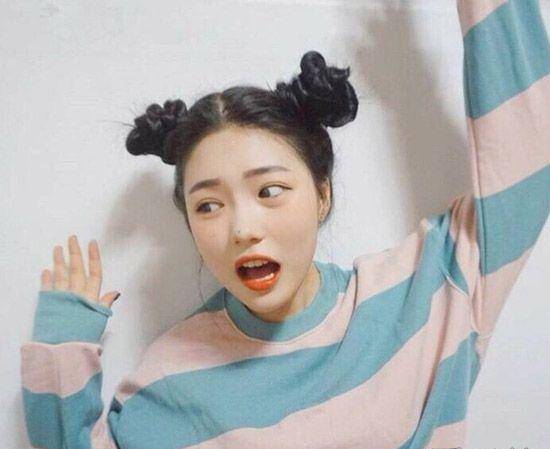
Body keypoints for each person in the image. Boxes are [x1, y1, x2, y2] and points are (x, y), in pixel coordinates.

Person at [20, 1, 549, 448]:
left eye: (269, 191)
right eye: (208, 206)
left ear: (322, 194)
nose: (242, 229)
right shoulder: (170, 380)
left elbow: (527, 158)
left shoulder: (423, 295)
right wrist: (62, 353)